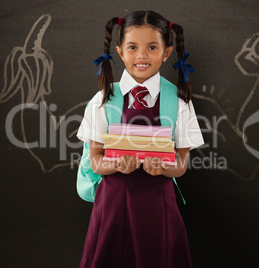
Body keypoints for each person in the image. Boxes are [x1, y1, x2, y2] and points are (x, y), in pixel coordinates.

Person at [76, 10, 204, 268]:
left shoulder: (179, 102)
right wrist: (117, 164)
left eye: (152, 47)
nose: (142, 55)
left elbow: (181, 164)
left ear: (167, 53)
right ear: (120, 51)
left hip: (158, 205)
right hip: (112, 206)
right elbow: (96, 161)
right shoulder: (102, 100)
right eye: (133, 47)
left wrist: (165, 167)